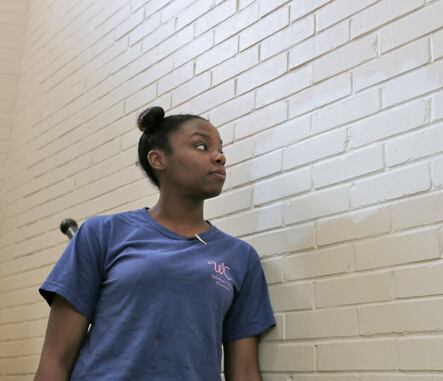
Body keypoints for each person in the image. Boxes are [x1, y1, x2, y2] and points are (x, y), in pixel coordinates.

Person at [34, 106, 276, 380]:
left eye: (221, 149)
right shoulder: (102, 233)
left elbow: (244, 371)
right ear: (158, 159)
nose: (219, 157)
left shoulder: (240, 256)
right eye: (201, 146)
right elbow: (56, 358)